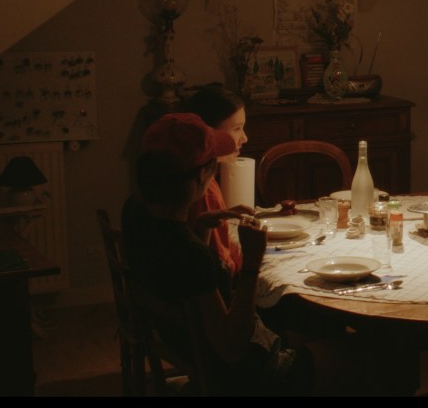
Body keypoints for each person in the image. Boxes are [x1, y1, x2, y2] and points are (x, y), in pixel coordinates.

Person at [122, 113, 313, 395]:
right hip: (237, 375)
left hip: (186, 348)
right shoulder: (192, 255)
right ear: (202, 175)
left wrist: (201, 226)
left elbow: (184, 283)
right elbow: (232, 348)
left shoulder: (135, 214)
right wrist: (251, 263)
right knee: (345, 355)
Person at [184, 84, 249, 279]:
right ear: (210, 134)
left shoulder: (198, 177)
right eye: (237, 129)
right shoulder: (205, 190)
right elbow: (222, 268)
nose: (244, 138)